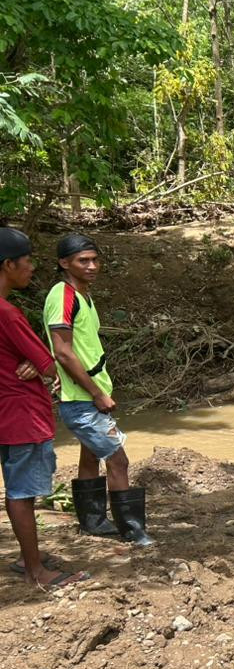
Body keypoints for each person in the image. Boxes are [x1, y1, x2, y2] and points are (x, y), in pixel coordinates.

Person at [43, 234, 154, 546]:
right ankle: (134, 532)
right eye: (83, 261)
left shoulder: (82, 296)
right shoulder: (62, 295)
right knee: (118, 461)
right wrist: (96, 393)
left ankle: (92, 523)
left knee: (90, 457)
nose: (92, 266)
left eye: (95, 260)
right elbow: (63, 352)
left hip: (84, 395)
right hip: (81, 399)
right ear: (64, 263)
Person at [0, 227, 88, 589]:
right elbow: (52, 363)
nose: (32, 267)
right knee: (22, 494)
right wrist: (40, 363)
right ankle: (36, 570)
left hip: (7, 415)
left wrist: (36, 361)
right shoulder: (8, 314)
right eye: (27, 261)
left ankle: (27, 556)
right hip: (21, 416)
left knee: (16, 489)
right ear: (8, 264)